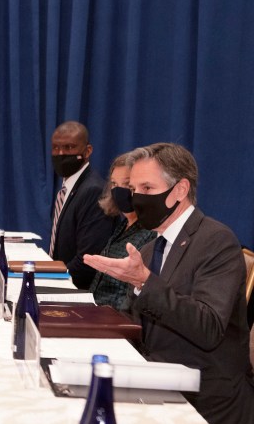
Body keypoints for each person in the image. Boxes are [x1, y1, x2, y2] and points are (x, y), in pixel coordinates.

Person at [84, 143, 254, 424]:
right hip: (156, 380)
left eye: (147, 189)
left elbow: (207, 326)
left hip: (207, 398)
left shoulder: (217, 241)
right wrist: (87, 320)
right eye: (134, 189)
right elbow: (142, 324)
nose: (137, 198)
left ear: (180, 190)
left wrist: (144, 280)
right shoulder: (153, 248)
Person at [48, 121, 113, 289]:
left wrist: (49, 282)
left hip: (76, 291)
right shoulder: (69, 187)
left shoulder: (93, 191)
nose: (61, 154)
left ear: (87, 151)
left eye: (69, 148)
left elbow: (88, 260)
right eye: (56, 148)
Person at [88, 153, 156, 311]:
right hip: (95, 309)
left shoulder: (150, 231)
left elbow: (132, 295)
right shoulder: (123, 224)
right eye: (114, 184)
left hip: (114, 319)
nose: (118, 191)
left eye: (126, 184)